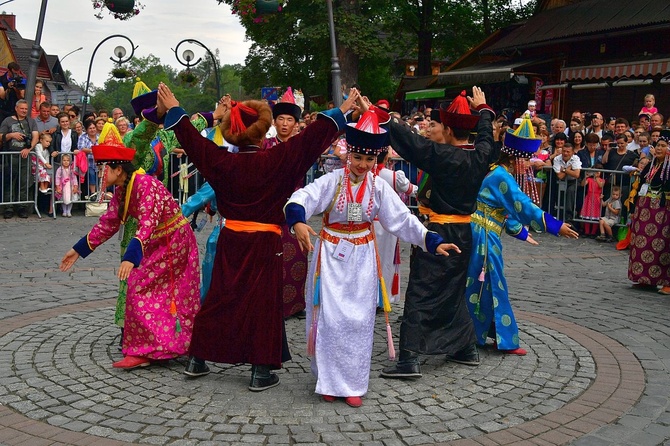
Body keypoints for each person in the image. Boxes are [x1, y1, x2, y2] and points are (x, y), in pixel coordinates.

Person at [154, 82, 358, 390]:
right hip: (264, 243)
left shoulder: (222, 161)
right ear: (264, 131)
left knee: (219, 297)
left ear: (233, 131)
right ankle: (260, 370)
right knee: (263, 304)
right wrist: (340, 112)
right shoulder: (275, 159)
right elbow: (310, 140)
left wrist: (175, 110)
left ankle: (198, 358)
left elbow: (194, 143)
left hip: (230, 238)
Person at [285, 110, 458, 407]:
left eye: (370, 160)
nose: (363, 165)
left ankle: (352, 383)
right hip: (331, 254)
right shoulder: (331, 181)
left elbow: (402, 219)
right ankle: (327, 380)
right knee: (330, 319)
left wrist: (432, 240)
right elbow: (302, 197)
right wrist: (298, 220)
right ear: (347, 155)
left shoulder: (379, 186)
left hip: (363, 257)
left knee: (359, 320)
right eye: (358, 158)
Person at [376, 87, 500, 379]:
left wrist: (380, 117)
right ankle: (463, 347)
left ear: (446, 128)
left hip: (439, 230)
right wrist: (484, 110)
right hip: (464, 231)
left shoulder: (443, 156)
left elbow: (409, 142)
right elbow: (486, 137)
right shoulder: (481, 154)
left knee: (421, 290)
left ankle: (408, 359)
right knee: (453, 289)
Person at [59, 142, 201, 369]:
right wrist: (78, 250)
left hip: (174, 242)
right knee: (152, 290)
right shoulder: (124, 191)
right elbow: (109, 222)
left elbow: (147, 222)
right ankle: (156, 347)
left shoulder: (145, 184)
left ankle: (165, 347)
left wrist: (131, 257)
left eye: (103, 168)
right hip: (157, 242)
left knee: (156, 289)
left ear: (118, 169)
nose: (100, 174)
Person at [465, 116, 578, 355]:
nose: (530, 164)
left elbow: (503, 210)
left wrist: (520, 231)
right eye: (527, 160)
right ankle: (483, 336)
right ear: (516, 158)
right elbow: (522, 205)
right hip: (483, 235)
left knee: (485, 283)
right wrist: (556, 226)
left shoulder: (498, 173)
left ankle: (482, 334)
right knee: (490, 283)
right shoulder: (502, 177)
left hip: (485, 232)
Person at [261, 87, 308, 319]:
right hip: (269, 206)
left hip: (295, 204)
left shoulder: (302, 146)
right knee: (270, 254)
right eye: (281, 119)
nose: (285, 124)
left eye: (290, 119)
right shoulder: (266, 145)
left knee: (296, 253)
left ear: (296, 123)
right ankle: (269, 302)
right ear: (275, 121)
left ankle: (296, 304)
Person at [374, 149, 418, 303]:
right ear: (386, 156)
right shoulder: (392, 176)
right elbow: (412, 190)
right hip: (387, 225)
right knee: (385, 260)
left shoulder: (364, 175)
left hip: (366, 224)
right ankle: (382, 297)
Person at [627, 135, 670, 294]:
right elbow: (640, 188)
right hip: (645, 210)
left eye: (663, 145)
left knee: (662, 245)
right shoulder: (650, 165)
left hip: (663, 211)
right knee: (641, 243)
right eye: (657, 145)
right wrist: (633, 210)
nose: (658, 148)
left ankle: (667, 282)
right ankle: (646, 279)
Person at [0, 99, 38, 219]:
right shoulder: (8, 120)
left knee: (24, 182)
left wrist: (29, 148)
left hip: (25, 156)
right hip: (11, 155)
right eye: (22, 108)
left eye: (26, 109)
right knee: (10, 181)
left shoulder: (31, 121)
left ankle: (22, 206)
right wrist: (11, 135)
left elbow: (36, 136)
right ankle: (8, 207)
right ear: (16, 108)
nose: (24, 111)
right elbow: (0, 136)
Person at [580, 163, 605, 236]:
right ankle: (587, 231)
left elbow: (600, 186)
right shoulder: (590, 179)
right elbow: (582, 184)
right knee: (587, 214)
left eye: (598, 171)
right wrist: (586, 177)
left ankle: (593, 232)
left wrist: (597, 178)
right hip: (589, 198)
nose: (597, 173)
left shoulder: (602, 180)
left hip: (597, 198)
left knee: (595, 215)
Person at [54, 153, 79, 217]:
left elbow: (74, 178)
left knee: (71, 198)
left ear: (70, 161)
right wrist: (57, 187)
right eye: (64, 160)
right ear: (61, 161)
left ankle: (69, 211)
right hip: (63, 186)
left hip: (71, 185)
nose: (66, 162)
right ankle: (64, 211)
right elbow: (57, 178)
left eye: (67, 161)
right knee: (63, 198)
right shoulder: (60, 169)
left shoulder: (71, 169)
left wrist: (76, 186)